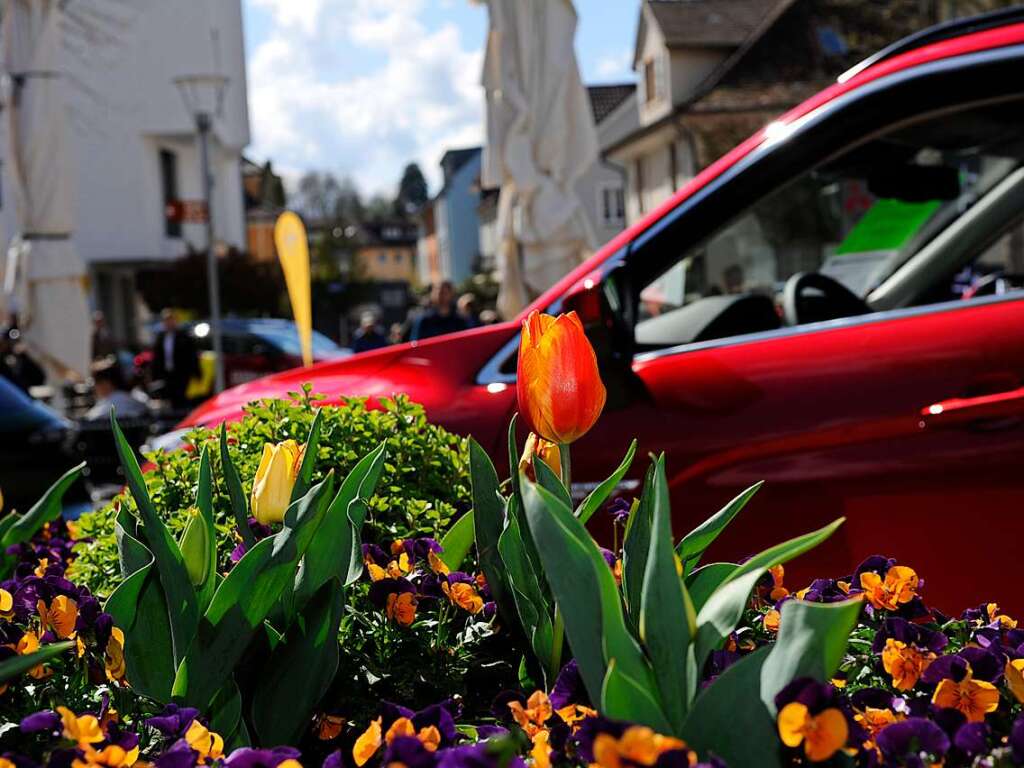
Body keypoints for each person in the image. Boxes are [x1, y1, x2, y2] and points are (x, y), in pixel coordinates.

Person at [151, 309, 199, 408]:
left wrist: (195, 372)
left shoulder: (184, 336)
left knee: (182, 397)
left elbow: (191, 355)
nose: (169, 323)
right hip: (167, 373)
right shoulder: (160, 337)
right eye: (166, 320)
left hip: (181, 373)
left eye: (171, 320)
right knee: (169, 398)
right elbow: (157, 357)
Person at [84, 357, 150, 421]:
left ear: (106, 383)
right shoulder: (141, 398)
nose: (94, 388)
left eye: (96, 383)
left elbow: (87, 420)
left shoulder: (107, 407)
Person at [0, 326, 45, 394]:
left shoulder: (9, 346)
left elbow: (14, 328)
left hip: (33, 381)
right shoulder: (5, 359)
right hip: (26, 389)